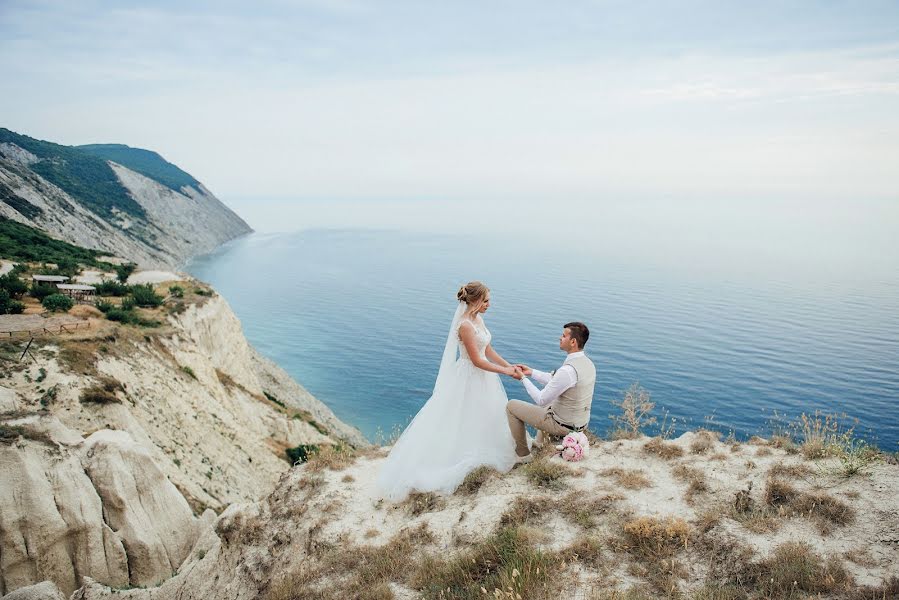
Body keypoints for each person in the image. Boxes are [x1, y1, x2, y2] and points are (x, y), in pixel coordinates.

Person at [377, 281, 523, 501]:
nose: (489, 305)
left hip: (485, 378)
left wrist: (509, 365)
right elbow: (476, 360)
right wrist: (505, 371)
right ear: (474, 301)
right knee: (463, 415)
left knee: (485, 414)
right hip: (469, 377)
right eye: (485, 301)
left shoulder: (478, 319)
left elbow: (488, 349)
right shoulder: (465, 325)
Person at [506, 322, 596, 463]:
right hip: (580, 423)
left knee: (512, 406)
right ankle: (540, 444)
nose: (560, 338)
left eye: (563, 336)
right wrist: (531, 372)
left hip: (562, 426)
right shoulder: (588, 364)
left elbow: (541, 399)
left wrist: (522, 378)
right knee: (551, 400)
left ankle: (523, 455)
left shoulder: (568, 370)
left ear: (573, 342)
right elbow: (556, 381)